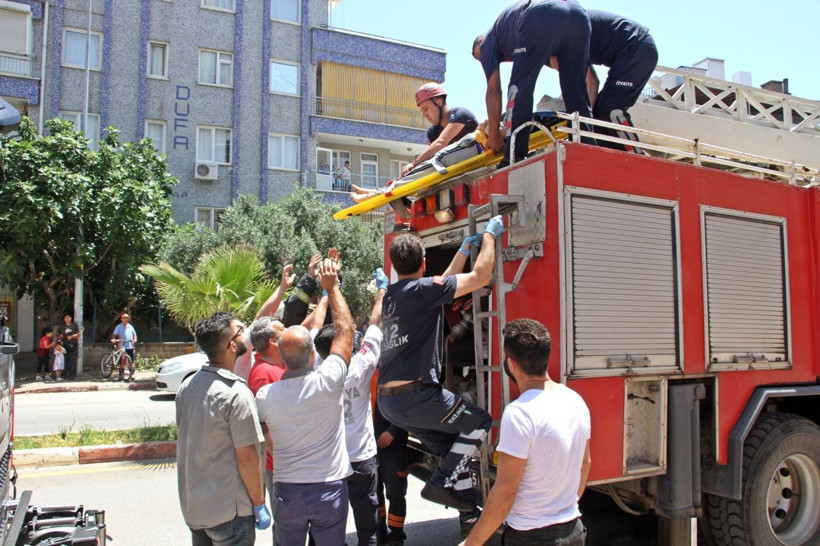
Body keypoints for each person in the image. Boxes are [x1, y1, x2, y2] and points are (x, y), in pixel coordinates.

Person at [377, 217, 503, 533]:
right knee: (479, 422)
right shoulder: (422, 290)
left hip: (390, 404)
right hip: (418, 397)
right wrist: (489, 235)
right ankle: (440, 480)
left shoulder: (394, 294)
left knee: (452, 450)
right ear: (422, 263)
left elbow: (441, 283)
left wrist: (461, 251)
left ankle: (468, 515)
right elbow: (481, 276)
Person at [460, 319, 591, 546]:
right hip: (574, 530)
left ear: (512, 364)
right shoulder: (575, 400)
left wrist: (471, 543)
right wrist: (560, 511)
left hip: (531, 537)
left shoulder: (519, 413)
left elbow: (505, 492)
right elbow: (585, 464)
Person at [255, 250, 355, 546]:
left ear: (281, 359)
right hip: (329, 489)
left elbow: (266, 436)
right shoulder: (329, 380)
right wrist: (332, 287)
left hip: (287, 492)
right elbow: (346, 331)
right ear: (314, 355)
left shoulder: (265, 395)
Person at [176, 311, 271, 545]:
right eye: (239, 332)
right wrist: (259, 504)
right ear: (231, 346)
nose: (244, 335)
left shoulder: (187, 387)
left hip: (195, 509)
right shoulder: (236, 393)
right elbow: (247, 457)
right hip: (230, 513)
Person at [312, 267, 387, 546]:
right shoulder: (362, 363)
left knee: (327, 528)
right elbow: (376, 325)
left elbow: (315, 330)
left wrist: (326, 293)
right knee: (368, 528)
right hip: (361, 459)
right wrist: (382, 291)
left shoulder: (313, 369)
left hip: (328, 462)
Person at [473, 0, 592, 164]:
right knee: (576, 90)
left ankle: (515, 156)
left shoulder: (486, 43)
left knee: (518, 88)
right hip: (579, 15)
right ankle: (587, 148)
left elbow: (493, 91)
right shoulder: (516, 37)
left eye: (481, 59)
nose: (486, 64)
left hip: (541, 13)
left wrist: (493, 134)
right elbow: (561, 66)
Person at [545, 10, 658, 151]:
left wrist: (584, 121)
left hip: (637, 48)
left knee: (610, 108)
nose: (560, 69)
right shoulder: (563, 36)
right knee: (599, 114)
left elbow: (590, 82)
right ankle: (615, 161)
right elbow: (582, 81)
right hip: (633, 50)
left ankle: (636, 156)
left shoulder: (566, 36)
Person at [351, 83, 479, 204]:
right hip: (450, 175)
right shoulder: (433, 132)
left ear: (439, 102)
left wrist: (413, 163)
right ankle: (384, 192)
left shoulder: (460, 114)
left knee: (432, 163)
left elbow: (441, 143)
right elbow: (429, 161)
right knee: (426, 168)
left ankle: (378, 193)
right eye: (421, 111)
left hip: (474, 162)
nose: (424, 115)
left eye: (426, 108)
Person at [247, 315, 287, 516]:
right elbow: (265, 425)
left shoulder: (279, 365)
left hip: (290, 459)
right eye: (283, 330)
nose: (287, 331)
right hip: (280, 464)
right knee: (285, 524)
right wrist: (282, 460)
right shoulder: (263, 374)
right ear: (273, 341)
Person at [374, 398, 409, 545]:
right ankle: (380, 532)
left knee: (396, 492)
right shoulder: (362, 376)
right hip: (369, 444)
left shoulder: (392, 375)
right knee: (374, 494)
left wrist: (393, 431)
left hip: (393, 444)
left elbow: (406, 404)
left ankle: (396, 535)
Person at [111, 312, 137, 380]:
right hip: (122, 345)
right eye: (123, 318)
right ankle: (120, 374)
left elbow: (134, 334)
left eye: (126, 318)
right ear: (121, 319)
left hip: (130, 345)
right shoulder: (119, 326)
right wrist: (113, 339)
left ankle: (132, 374)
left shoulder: (130, 326)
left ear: (128, 319)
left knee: (131, 360)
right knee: (122, 360)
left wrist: (135, 339)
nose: (125, 319)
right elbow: (114, 334)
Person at [57, 313, 80, 380]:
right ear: (64, 319)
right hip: (64, 344)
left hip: (73, 344)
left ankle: (72, 375)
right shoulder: (61, 326)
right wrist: (60, 336)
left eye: (68, 317)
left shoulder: (74, 325)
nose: (67, 319)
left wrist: (72, 336)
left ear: (71, 318)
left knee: (72, 360)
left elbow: (78, 334)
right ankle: (64, 374)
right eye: (66, 318)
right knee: (64, 360)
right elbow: (58, 334)